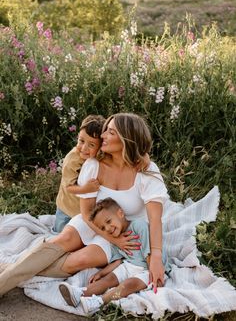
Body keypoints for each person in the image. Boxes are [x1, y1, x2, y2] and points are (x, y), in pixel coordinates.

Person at [0, 112, 169, 297]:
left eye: (110, 132)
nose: (102, 136)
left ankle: (11, 268)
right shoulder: (94, 164)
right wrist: (113, 238)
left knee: (80, 260)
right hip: (93, 221)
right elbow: (87, 212)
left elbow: (155, 219)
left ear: (126, 139)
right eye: (105, 131)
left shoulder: (146, 171)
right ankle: (4, 282)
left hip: (128, 233)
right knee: (62, 240)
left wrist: (156, 257)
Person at [59, 197, 155, 315]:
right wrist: (101, 273)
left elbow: (149, 251)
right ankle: (80, 293)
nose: (108, 228)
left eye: (109, 221)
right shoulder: (116, 238)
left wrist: (153, 274)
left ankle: (99, 301)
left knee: (127, 285)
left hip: (146, 270)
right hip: (128, 266)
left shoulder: (139, 226)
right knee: (108, 279)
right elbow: (118, 261)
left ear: (120, 213)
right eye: (103, 228)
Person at [53, 114, 105, 232]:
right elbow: (68, 187)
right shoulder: (73, 159)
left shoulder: (99, 158)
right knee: (60, 235)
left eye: (91, 145)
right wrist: (86, 189)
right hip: (67, 210)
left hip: (83, 211)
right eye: (81, 141)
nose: (84, 148)